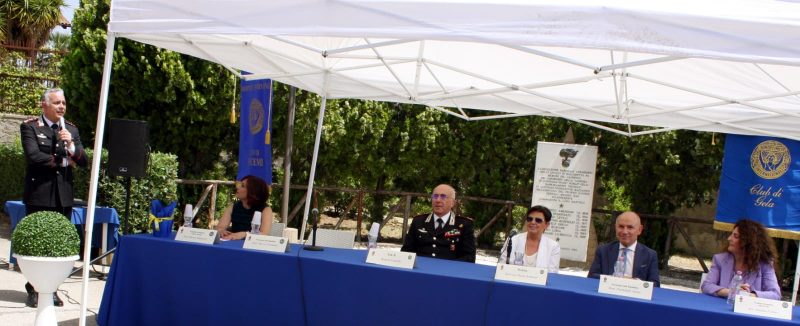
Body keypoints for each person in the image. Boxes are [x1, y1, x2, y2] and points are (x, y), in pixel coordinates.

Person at [20, 88, 88, 308]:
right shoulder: (30, 126)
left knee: (59, 242)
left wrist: (71, 146)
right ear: (44, 105)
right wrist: (65, 162)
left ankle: (52, 288)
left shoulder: (71, 129)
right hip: (39, 193)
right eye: (57, 103)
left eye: (64, 103)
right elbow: (34, 157)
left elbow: (84, 160)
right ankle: (33, 289)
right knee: (37, 242)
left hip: (63, 195)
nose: (62, 107)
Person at [701, 219, 781, 300]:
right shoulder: (720, 259)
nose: (729, 238)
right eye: (731, 234)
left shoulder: (765, 264)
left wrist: (748, 296)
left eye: (735, 236)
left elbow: (775, 294)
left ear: (749, 242)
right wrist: (732, 292)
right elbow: (706, 286)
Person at [401, 184, 476, 262]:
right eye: (435, 196)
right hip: (421, 269)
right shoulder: (418, 221)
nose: (438, 200)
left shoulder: (464, 225)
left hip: (448, 271)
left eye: (443, 197)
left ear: (452, 203)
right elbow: (406, 251)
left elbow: (469, 257)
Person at [588, 211, 660, 287]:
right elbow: (591, 277)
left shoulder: (650, 255)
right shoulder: (603, 251)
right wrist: (613, 280)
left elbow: (655, 285)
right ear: (615, 227)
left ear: (639, 230)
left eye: (630, 227)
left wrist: (634, 283)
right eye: (621, 226)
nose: (625, 232)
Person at [498, 205, 560, 273]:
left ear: (546, 225)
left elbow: (552, 273)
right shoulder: (513, 240)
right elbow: (501, 266)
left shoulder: (553, 247)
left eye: (538, 220)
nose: (533, 222)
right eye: (529, 219)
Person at [215, 175, 274, 240]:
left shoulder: (265, 210)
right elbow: (219, 227)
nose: (238, 187)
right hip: (233, 244)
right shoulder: (233, 207)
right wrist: (221, 231)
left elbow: (264, 235)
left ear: (253, 191)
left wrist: (244, 234)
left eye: (242, 186)